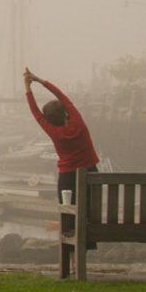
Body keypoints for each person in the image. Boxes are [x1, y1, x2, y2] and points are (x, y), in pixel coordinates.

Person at [23, 68, 99, 205]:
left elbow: (35, 111)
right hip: (91, 172)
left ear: (48, 119)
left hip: (67, 176)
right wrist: (39, 80)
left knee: (67, 212)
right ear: (65, 112)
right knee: (92, 208)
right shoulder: (78, 121)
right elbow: (61, 96)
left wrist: (27, 86)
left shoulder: (54, 132)